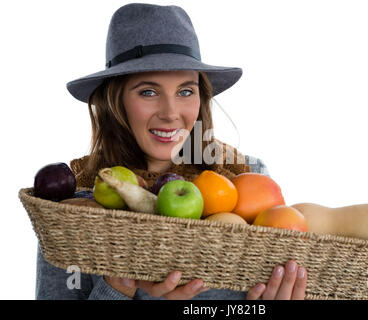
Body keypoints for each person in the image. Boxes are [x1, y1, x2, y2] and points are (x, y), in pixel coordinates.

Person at [36, 3, 308, 300]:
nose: (170, 113)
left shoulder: (246, 178)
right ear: (115, 102)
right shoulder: (74, 206)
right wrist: (116, 289)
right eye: (148, 92)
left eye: (185, 91)